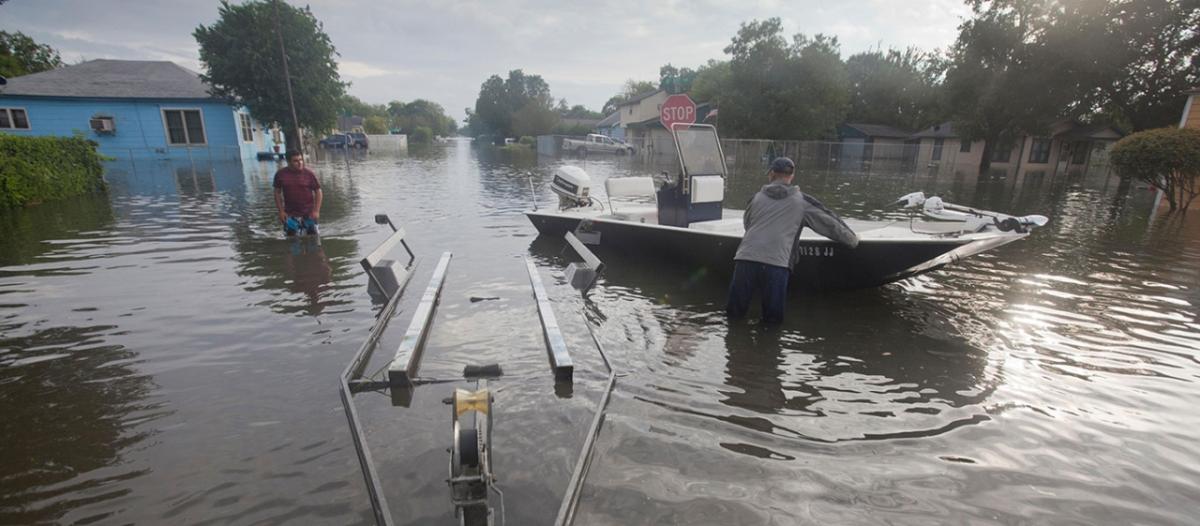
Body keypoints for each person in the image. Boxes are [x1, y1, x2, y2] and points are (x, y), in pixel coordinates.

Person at [727, 157, 858, 324]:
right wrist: (853, 240)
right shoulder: (802, 201)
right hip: (777, 264)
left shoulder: (756, 198)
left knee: (734, 316)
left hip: (745, 259)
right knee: (772, 321)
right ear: (792, 176)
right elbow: (830, 224)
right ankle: (769, 348)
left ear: (771, 174)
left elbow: (748, 225)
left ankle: (733, 345)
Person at [273, 151, 322, 236]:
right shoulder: (280, 174)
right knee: (292, 242)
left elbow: (318, 191)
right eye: (296, 161)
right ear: (288, 162)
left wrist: (316, 210)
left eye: (301, 160)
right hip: (290, 215)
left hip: (309, 214)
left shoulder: (309, 174)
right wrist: (281, 211)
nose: (300, 163)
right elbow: (277, 192)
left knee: (314, 241)